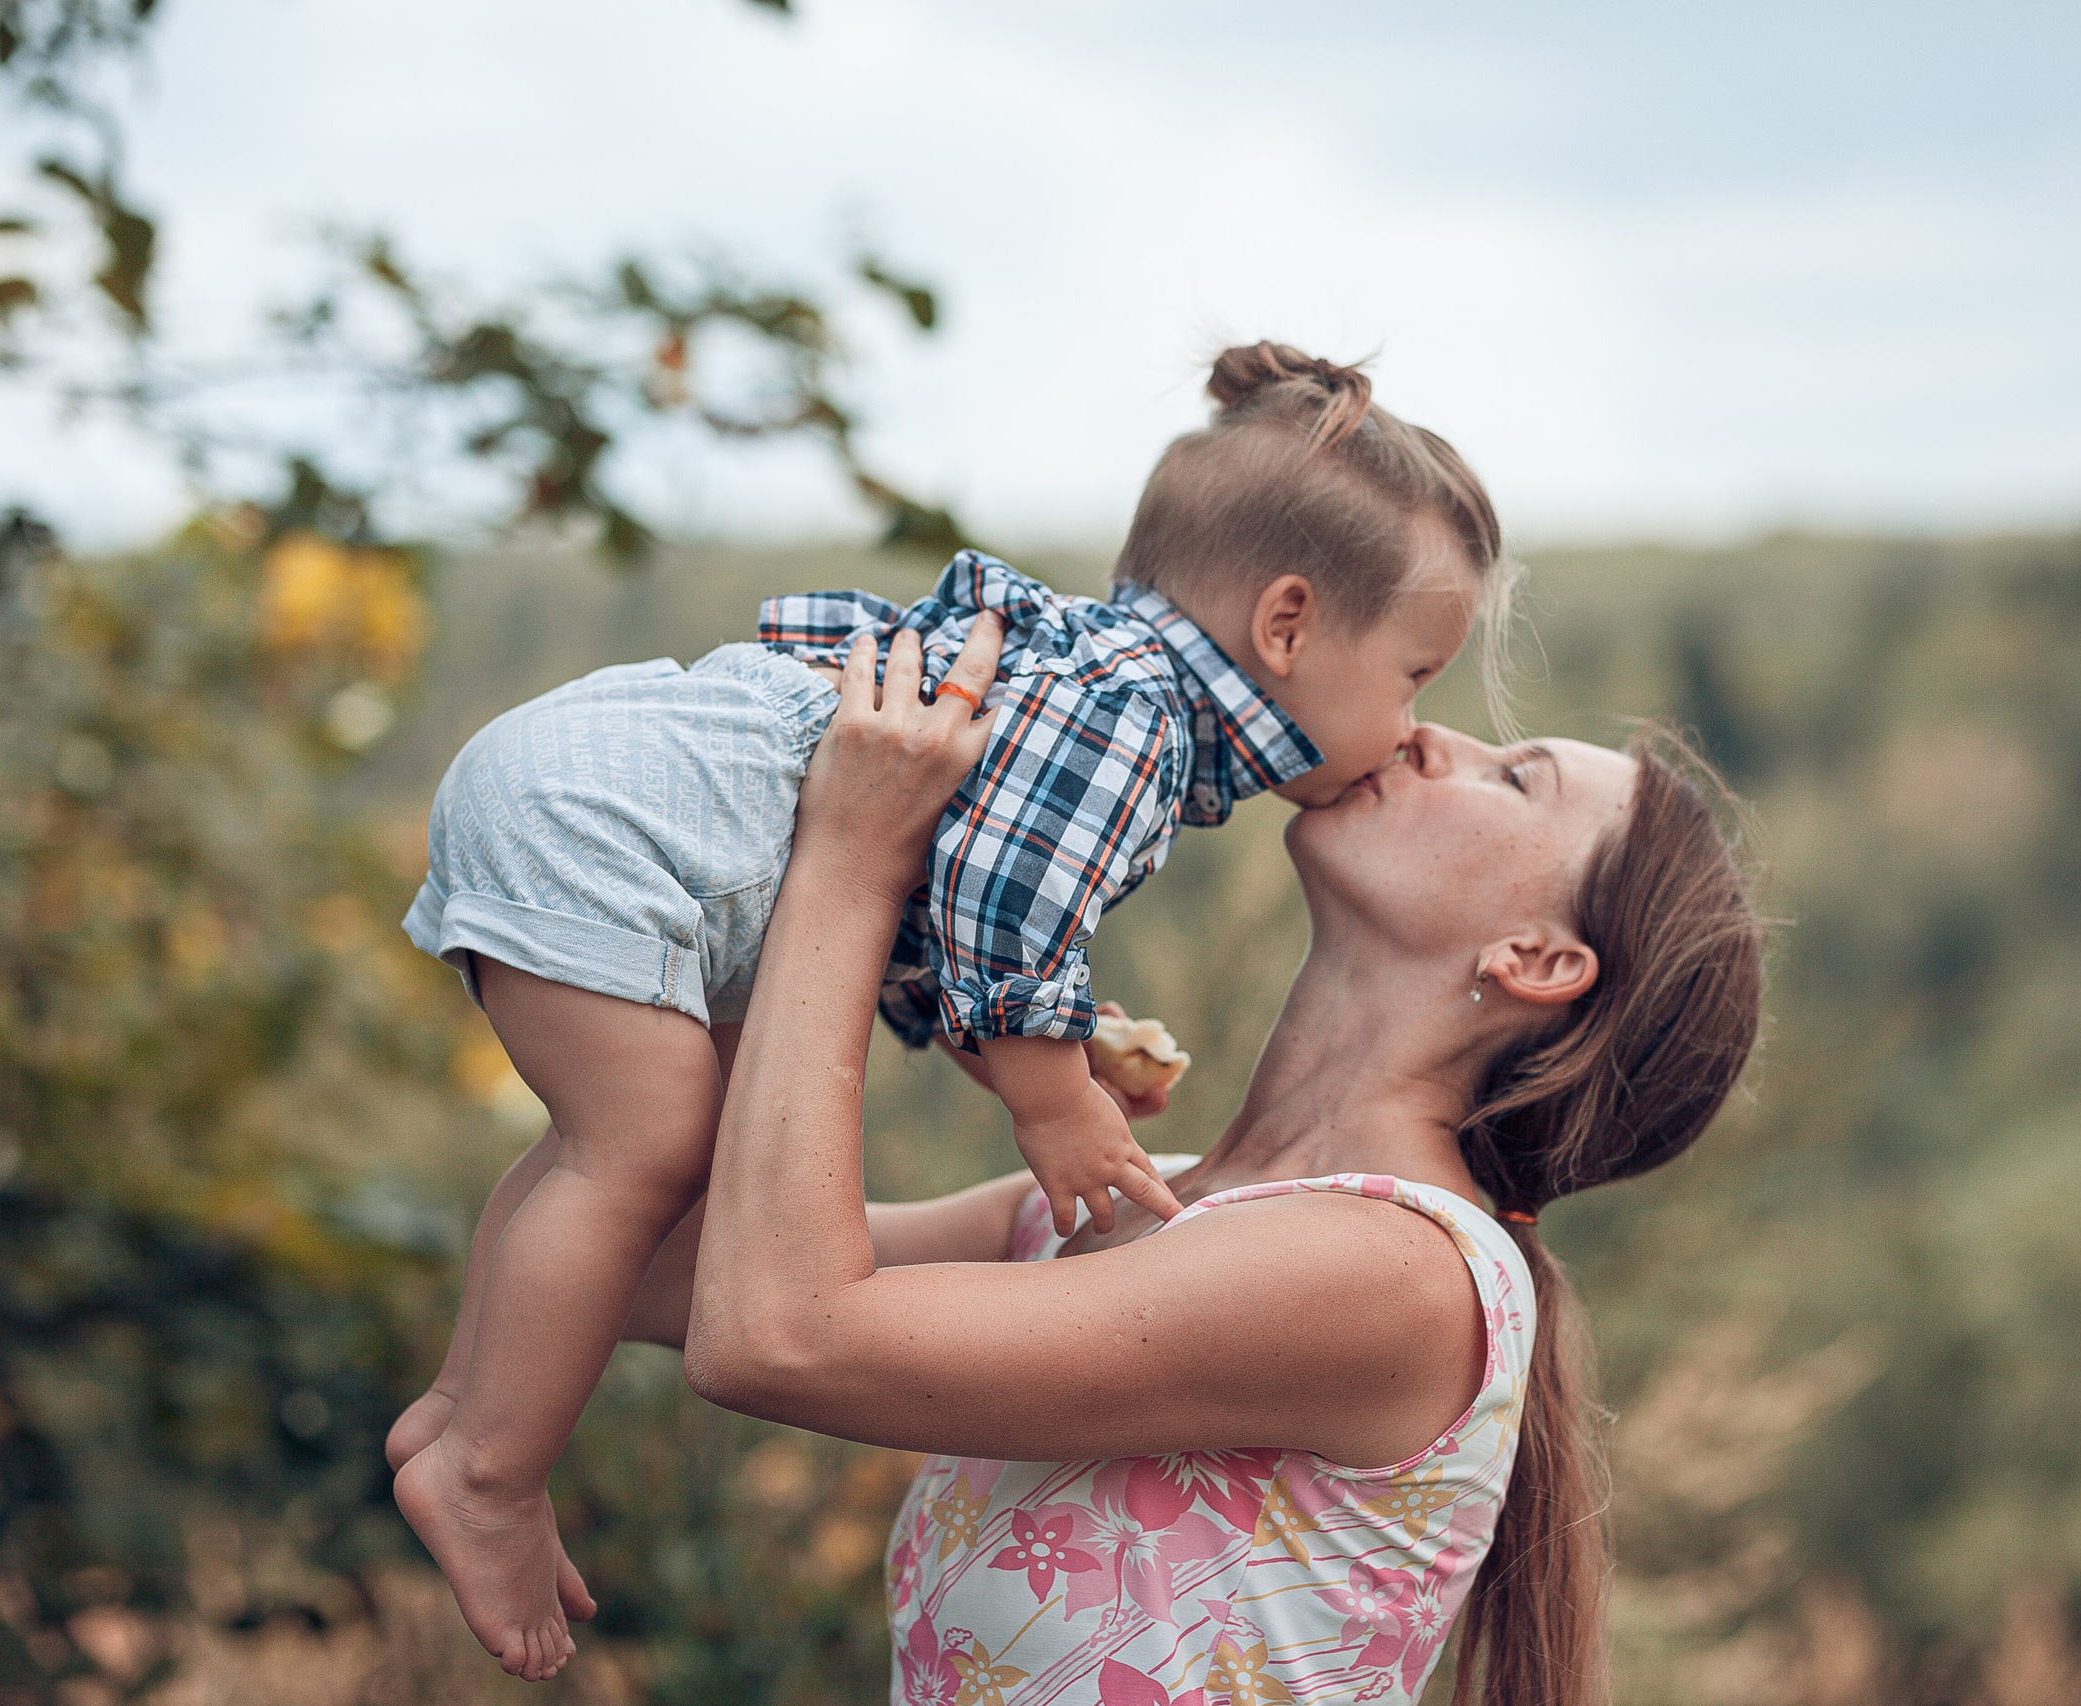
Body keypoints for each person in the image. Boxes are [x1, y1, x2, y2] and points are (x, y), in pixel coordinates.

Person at [386, 343, 1517, 1679]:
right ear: (1285, 627)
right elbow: (998, 892)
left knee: (628, 1152)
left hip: (623, 804)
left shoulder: (1097, 682)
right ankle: (489, 1468)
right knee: (634, 1148)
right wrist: (1055, 1099)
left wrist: (1043, 1042)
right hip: (634, 834)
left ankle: (464, 1408)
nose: (1412, 729)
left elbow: (948, 908)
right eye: (1416, 678)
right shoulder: (1133, 722)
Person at [626, 618, 1765, 1705]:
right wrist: (771, 876)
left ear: (1536, 958)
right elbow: (663, 1267)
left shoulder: (1395, 1276)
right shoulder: (1139, 1194)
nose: (1429, 733)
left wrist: (853, 866)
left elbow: (773, 1334)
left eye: (1513, 778)